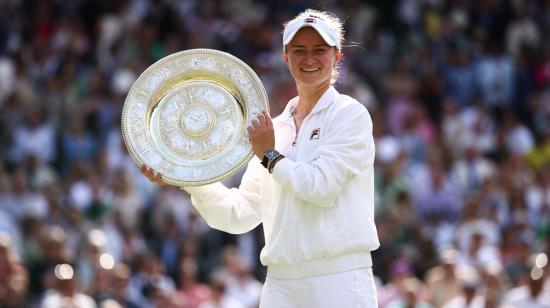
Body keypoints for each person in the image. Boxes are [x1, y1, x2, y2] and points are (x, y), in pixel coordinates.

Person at [142, 8, 379, 307]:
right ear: (285, 57)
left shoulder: (349, 115)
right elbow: (238, 214)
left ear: (337, 56)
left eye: (319, 50)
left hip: (338, 279)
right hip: (280, 283)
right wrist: (186, 176)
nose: (309, 59)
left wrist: (269, 155)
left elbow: (321, 188)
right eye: (299, 50)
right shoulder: (274, 128)